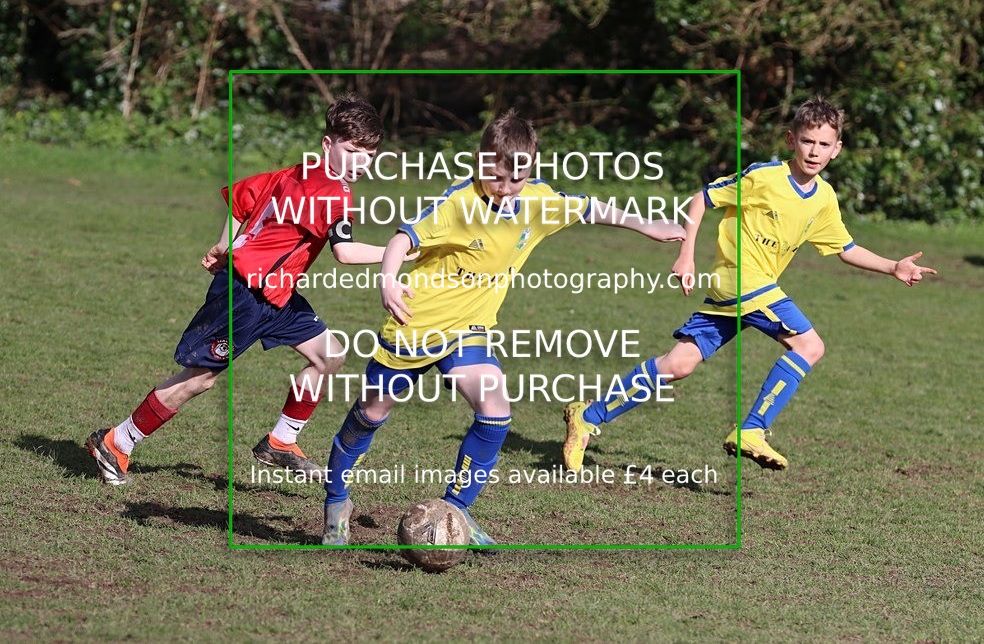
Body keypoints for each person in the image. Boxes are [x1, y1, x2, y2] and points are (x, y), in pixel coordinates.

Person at [320, 110, 686, 546]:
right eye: (497, 177)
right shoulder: (458, 203)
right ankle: (336, 499)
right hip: (414, 324)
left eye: (517, 178)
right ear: (480, 161)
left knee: (495, 412)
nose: (507, 188)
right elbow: (402, 239)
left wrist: (646, 226)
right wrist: (388, 279)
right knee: (371, 414)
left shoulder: (537, 200)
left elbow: (591, 208)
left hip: (469, 329)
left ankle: (457, 510)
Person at [563, 96, 937, 472]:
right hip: (739, 282)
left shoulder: (823, 198)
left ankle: (587, 416)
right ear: (791, 140)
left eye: (824, 144)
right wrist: (687, 254)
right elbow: (701, 199)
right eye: (808, 141)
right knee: (810, 345)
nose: (814, 151)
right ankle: (752, 430)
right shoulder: (764, 177)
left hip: (746, 292)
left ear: (837, 149)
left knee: (679, 364)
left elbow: (845, 247)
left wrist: (893, 267)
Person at [86, 93, 396, 485]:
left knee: (329, 355)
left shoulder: (296, 172)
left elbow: (240, 201)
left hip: (276, 293)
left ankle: (281, 441)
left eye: (369, 155)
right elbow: (346, 253)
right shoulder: (332, 194)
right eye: (352, 150)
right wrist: (400, 248)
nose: (360, 163)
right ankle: (117, 441)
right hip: (245, 295)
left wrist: (224, 244)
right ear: (327, 144)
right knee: (200, 378)